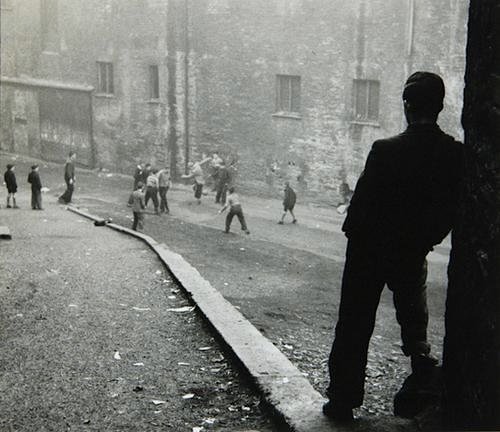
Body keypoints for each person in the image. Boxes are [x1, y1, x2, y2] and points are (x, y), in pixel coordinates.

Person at [323, 72, 464, 422]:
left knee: (354, 325)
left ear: (406, 105)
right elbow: (451, 210)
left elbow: (357, 212)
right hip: (411, 251)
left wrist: (360, 238)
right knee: (415, 325)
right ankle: (423, 382)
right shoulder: (455, 154)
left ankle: (343, 400)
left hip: (369, 251)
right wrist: (422, 241)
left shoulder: (384, 150)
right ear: (440, 106)